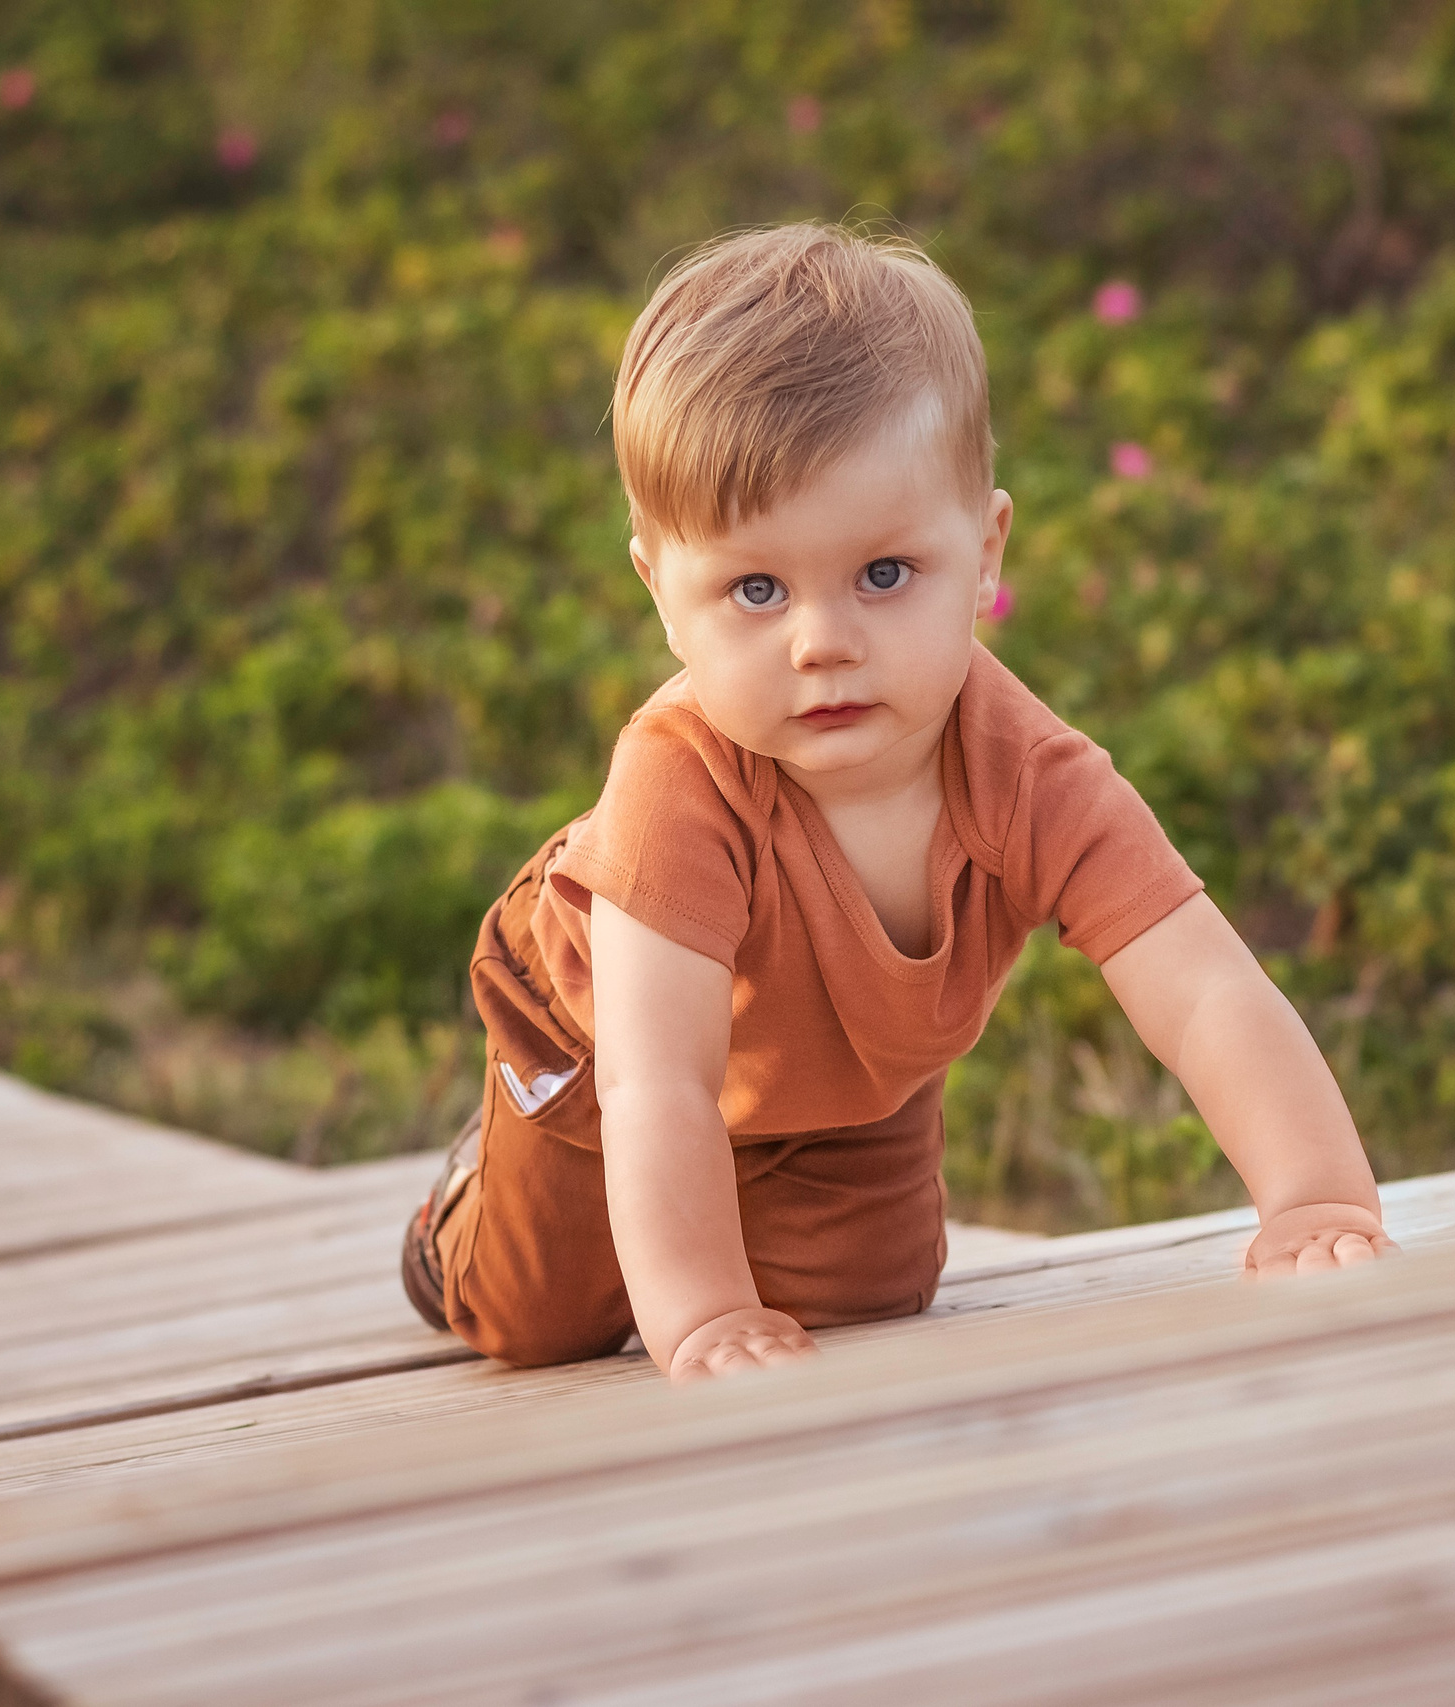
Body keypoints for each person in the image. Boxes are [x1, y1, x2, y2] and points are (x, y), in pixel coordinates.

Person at [402, 223, 1391, 1383]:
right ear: (661, 596)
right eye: (755, 589)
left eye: (882, 575)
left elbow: (1203, 990)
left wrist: (1313, 1196)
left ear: (984, 553)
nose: (824, 643)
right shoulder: (681, 784)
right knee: (539, 1322)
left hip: (841, 1084)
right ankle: (464, 1207)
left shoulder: (1031, 776)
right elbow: (656, 1080)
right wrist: (706, 1315)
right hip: (598, 1040)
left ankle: (737, 1205)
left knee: (872, 1302)